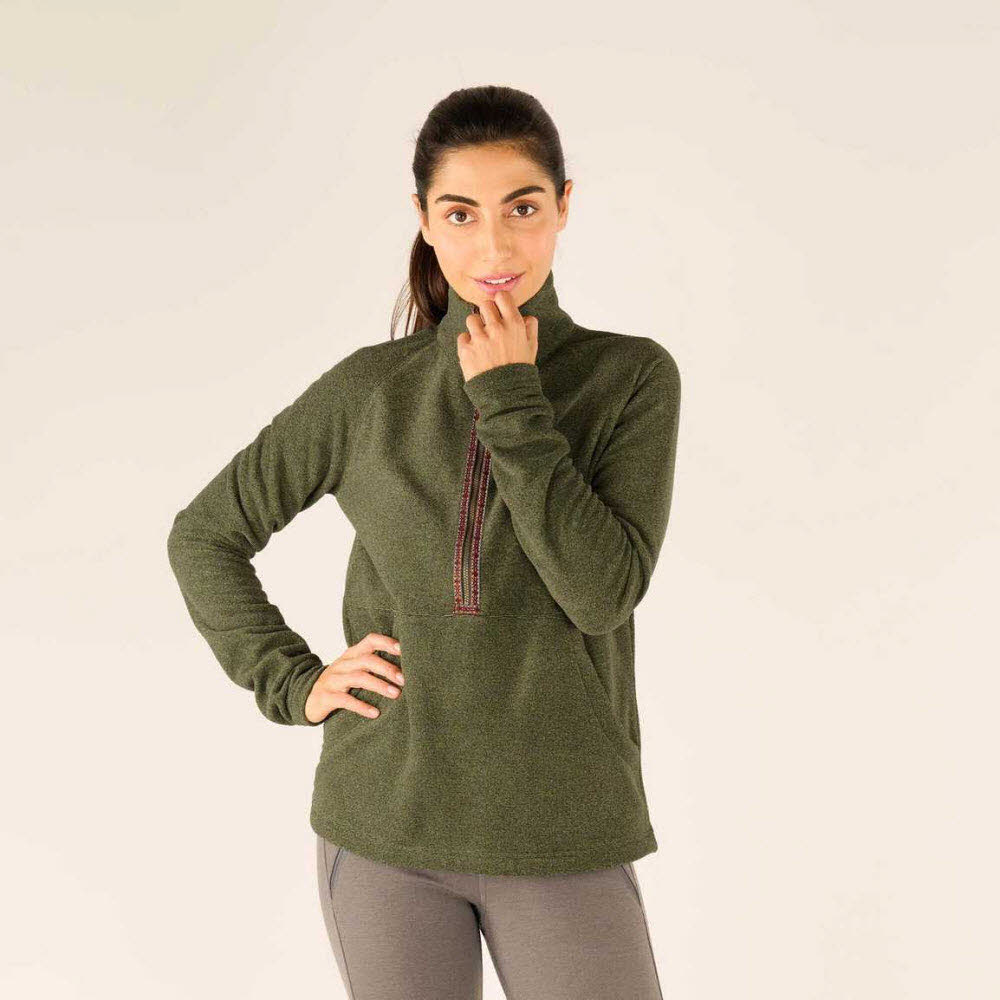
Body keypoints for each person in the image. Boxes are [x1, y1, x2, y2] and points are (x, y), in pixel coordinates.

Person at [167, 84, 680, 1000]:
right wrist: (292, 680)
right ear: (424, 220)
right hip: (384, 832)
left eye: (523, 207)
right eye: (461, 213)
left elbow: (600, 592)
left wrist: (511, 398)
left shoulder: (628, 377)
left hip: (564, 829)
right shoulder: (371, 391)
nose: (495, 247)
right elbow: (205, 535)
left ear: (565, 206)